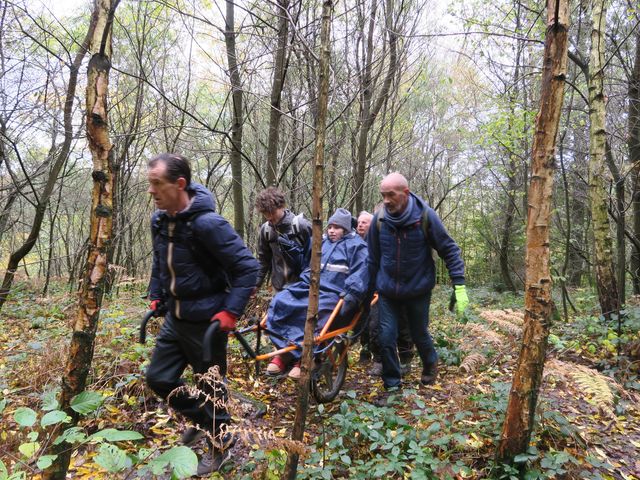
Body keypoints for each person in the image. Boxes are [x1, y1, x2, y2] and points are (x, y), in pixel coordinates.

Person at [145, 153, 259, 476]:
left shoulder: (207, 224)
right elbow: (159, 263)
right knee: (159, 378)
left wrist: (230, 313)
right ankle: (204, 420)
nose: (151, 191)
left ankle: (221, 445)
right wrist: (156, 295)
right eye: (149, 183)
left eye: (157, 184)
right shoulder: (160, 220)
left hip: (207, 324)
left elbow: (248, 268)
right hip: (176, 320)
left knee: (212, 389)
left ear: (179, 184)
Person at [367, 172, 468, 391]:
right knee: (385, 337)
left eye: (390, 195)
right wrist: (366, 292)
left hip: (418, 289)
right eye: (382, 195)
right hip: (388, 291)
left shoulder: (425, 217)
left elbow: (448, 249)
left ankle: (430, 363)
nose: (385, 200)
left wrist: (458, 283)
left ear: (405, 192)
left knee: (418, 332)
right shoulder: (379, 220)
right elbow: (372, 259)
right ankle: (392, 386)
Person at [265, 208, 369, 379]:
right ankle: (284, 351)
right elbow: (305, 265)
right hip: (309, 286)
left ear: (345, 229)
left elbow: (361, 273)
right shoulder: (320, 242)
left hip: (334, 293)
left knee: (315, 313)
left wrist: (351, 293)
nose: (332, 230)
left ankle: (305, 357)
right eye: (330, 227)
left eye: (337, 227)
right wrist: (292, 252)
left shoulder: (357, 246)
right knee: (281, 300)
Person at [356, 211, 415, 376]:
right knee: (375, 326)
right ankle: (379, 360)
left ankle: (405, 359)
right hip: (377, 291)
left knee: (403, 326)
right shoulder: (366, 242)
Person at [255, 187, 312, 292]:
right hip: (278, 288)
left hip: (302, 288)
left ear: (281, 206)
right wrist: (257, 283)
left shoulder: (302, 226)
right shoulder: (266, 230)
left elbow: (316, 257)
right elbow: (263, 259)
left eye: (272, 212)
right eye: (265, 213)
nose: (269, 217)